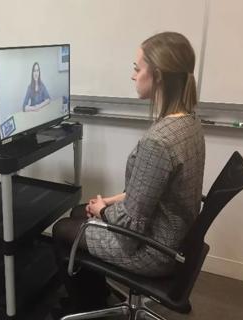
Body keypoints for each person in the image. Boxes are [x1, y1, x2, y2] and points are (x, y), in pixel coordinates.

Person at [52, 32, 205, 313]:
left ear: (157, 75)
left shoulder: (158, 142)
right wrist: (109, 201)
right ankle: (94, 297)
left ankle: (84, 303)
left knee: (62, 229)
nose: (133, 76)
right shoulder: (190, 122)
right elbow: (152, 188)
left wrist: (101, 212)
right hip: (174, 237)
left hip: (152, 251)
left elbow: (131, 228)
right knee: (78, 211)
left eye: (137, 69)